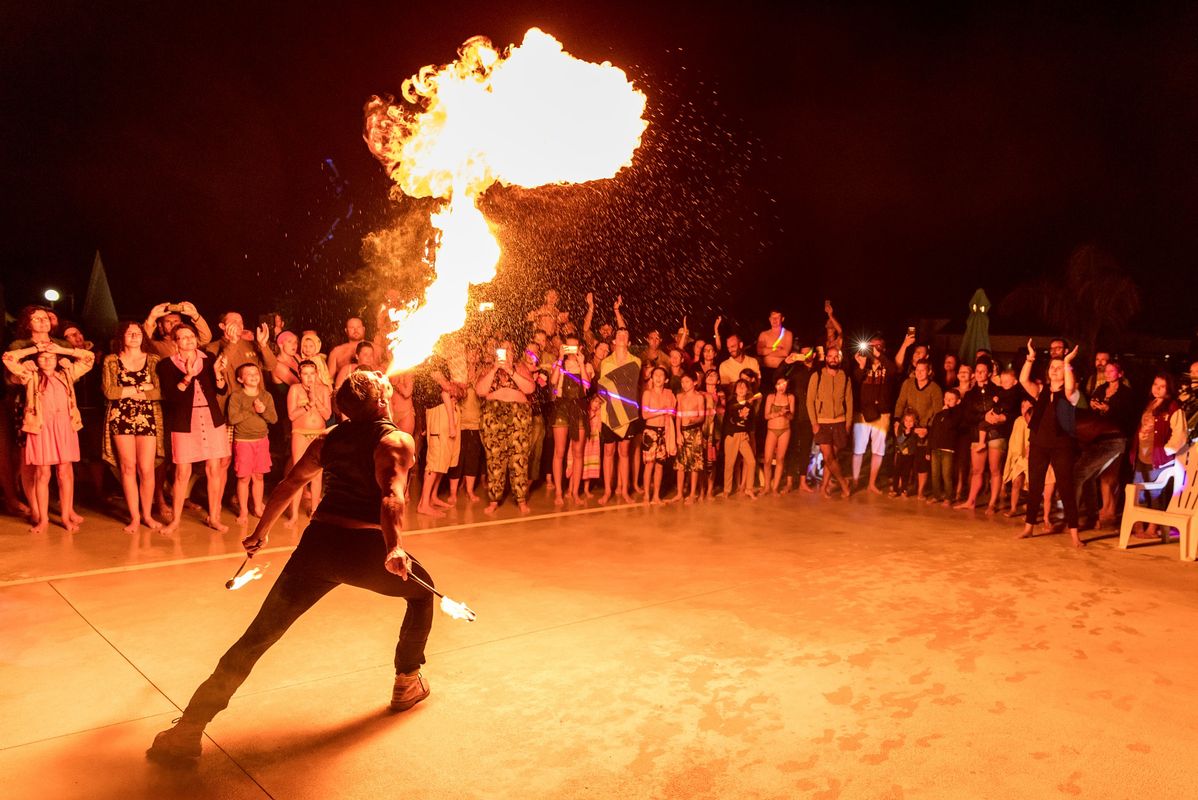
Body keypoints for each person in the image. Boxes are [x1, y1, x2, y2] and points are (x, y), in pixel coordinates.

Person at [146, 372, 433, 765]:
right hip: (365, 550)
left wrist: (261, 531)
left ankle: (187, 730)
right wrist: (395, 546)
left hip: (317, 549)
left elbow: (291, 482)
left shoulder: (329, 438)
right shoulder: (394, 440)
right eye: (381, 382)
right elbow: (391, 496)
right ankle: (406, 682)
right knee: (422, 594)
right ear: (382, 401)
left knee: (257, 638)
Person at [2, 341, 95, 532]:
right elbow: (8, 358)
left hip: (65, 428)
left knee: (64, 473)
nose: (47, 360)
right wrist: (35, 349)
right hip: (41, 428)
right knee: (43, 474)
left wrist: (61, 349)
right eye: (43, 357)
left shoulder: (67, 374)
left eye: (51, 357)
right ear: (36, 361)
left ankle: (66, 515)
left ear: (57, 359)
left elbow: (88, 358)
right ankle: (43, 519)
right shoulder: (31, 376)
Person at [158, 323, 230, 533]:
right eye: (183, 337)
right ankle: (175, 520)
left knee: (214, 470)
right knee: (182, 472)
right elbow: (172, 397)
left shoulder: (209, 360)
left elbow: (222, 389)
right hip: (184, 421)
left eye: (191, 336)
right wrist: (188, 377)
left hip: (211, 419)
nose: (189, 340)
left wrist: (217, 373)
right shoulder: (166, 365)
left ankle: (214, 517)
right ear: (175, 342)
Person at [1017, 339, 1083, 547]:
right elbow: (1022, 380)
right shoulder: (1041, 390)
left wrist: (1067, 362)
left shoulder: (1071, 393)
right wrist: (1030, 358)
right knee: (1035, 486)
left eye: (1059, 368)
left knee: (1065, 487)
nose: (1054, 370)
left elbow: (1070, 385)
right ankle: (1028, 527)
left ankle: (1074, 533)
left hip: (1061, 445)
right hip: (1039, 443)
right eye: (1052, 367)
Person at [101, 321, 164, 532]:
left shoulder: (154, 360)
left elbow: (159, 392)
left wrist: (131, 391)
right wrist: (139, 388)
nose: (134, 336)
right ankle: (134, 517)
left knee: (146, 468)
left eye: (137, 333)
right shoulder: (111, 360)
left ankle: (147, 514)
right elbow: (110, 392)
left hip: (147, 417)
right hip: (121, 417)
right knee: (127, 467)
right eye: (129, 333)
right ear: (122, 337)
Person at [476, 340, 536, 514]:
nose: (506, 352)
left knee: (519, 457)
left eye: (509, 349)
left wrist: (510, 370)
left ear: (513, 352)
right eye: (503, 349)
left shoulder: (521, 367)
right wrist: (495, 368)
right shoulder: (489, 368)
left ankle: (521, 499)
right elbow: (480, 390)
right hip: (493, 416)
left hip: (518, 416)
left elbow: (530, 388)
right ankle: (494, 499)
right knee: (495, 458)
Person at [1127, 373, 1188, 542]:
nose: (1157, 388)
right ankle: (1137, 525)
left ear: (1169, 388)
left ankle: (1152, 528)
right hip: (1142, 454)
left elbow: (1180, 433)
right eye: (1155, 384)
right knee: (1137, 490)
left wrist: (1166, 450)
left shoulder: (1173, 407)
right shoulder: (1150, 404)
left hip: (1158, 458)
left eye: (1162, 386)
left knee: (1155, 492)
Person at [1074, 361, 1134, 528]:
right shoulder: (1100, 389)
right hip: (1098, 436)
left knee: (1111, 476)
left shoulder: (1126, 393)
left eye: (1111, 371)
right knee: (1101, 475)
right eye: (1106, 371)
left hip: (1116, 436)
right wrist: (1094, 406)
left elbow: (1127, 415)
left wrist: (1110, 409)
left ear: (1120, 374)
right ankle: (1105, 509)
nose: (1107, 373)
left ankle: (1110, 509)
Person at [954, 358, 1014, 514]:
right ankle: (971, 501)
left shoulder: (998, 390)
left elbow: (1007, 409)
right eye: (977, 370)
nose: (979, 373)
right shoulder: (969, 395)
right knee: (977, 470)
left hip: (996, 433)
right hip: (977, 434)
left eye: (983, 371)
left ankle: (992, 503)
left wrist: (1000, 418)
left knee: (995, 469)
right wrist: (983, 418)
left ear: (988, 372)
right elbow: (967, 416)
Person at [227, 364, 278, 524]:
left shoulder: (266, 395)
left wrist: (263, 410)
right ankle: (243, 511)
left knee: (259, 476)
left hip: (262, 440)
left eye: (256, 373)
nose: (254, 376)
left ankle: (257, 507)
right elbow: (232, 419)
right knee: (243, 478)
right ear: (240, 379)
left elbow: (274, 419)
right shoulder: (237, 396)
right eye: (249, 374)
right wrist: (252, 409)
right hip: (243, 442)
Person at [597, 328, 642, 505]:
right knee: (608, 452)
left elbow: (628, 382)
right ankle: (608, 490)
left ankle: (624, 490)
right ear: (613, 341)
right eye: (619, 335)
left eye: (625, 335)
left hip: (627, 412)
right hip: (609, 412)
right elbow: (604, 388)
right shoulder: (606, 362)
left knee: (624, 452)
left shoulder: (636, 360)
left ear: (629, 342)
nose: (622, 337)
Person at [849, 336, 897, 494]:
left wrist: (880, 356)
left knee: (878, 450)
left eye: (877, 346)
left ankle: (871, 483)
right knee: (859, 449)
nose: (874, 349)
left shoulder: (887, 364)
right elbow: (855, 380)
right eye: (871, 346)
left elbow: (893, 371)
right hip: (862, 412)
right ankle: (855, 481)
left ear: (883, 348)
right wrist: (861, 366)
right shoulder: (864, 364)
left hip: (882, 413)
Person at [287, 360, 331, 526]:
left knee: (317, 474)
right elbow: (291, 415)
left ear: (316, 374)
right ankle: (294, 515)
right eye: (305, 374)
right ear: (300, 375)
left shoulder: (324, 389)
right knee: (298, 474)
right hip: (300, 434)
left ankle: (314, 510)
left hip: (319, 434)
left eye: (312, 373)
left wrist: (315, 400)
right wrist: (307, 406)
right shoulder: (295, 389)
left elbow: (327, 415)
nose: (309, 377)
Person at [549, 336, 592, 506]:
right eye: (569, 347)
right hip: (561, 407)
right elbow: (552, 382)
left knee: (578, 452)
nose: (572, 350)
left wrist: (581, 364)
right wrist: (560, 359)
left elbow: (587, 386)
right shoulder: (558, 364)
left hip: (579, 408)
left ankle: (574, 492)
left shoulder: (586, 365)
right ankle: (559, 492)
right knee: (559, 452)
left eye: (575, 347)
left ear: (580, 347)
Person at [807, 346, 853, 498]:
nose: (833, 359)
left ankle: (824, 488)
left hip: (839, 421)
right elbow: (810, 401)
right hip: (822, 422)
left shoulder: (844, 377)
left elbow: (849, 401)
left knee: (832, 457)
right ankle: (844, 484)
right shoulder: (817, 375)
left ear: (839, 359)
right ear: (826, 358)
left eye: (836, 356)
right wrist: (814, 422)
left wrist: (848, 423)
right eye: (830, 356)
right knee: (828, 456)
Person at [893, 360, 943, 499]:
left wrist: (928, 428)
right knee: (904, 459)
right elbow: (901, 402)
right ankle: (901, 488)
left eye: (923, 370)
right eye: (917, 369)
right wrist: (897, 420)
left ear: (929, 371)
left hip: (923, 430)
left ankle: (920, 491)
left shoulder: (935, 389)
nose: (919, 373)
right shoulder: (908, 384)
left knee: (922, 462)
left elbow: (938, 412)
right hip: (908, 426)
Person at [1003, 398, 1055, 526]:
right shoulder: (1019, 421)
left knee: (1042, 492)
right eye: (1022, 406)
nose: (1025, 410)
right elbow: (1015, 441)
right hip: (1022, 458)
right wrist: (1017, 455)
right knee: (1017, 482)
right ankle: (1014, 509)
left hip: (1042, 461)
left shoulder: (1043, 424)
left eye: (1028, 407)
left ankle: (1043, 517)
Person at [446, 344, 485, 505]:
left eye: (476, 353)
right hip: (460, 422)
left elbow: (482, 393)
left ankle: (469, 491)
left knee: (472, 459)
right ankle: (453, 493)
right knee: (457, 459)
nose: (473, 356)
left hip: (476, 422)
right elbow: (455, 394)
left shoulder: (482, 373)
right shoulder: (458, 372)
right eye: (471, 353)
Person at [640, 366, 676, 504]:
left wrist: (668, 412)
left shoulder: (669, 393)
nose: (658, 377)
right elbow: (645, 415)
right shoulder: (647, 394)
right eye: (656, 375)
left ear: (666, 379)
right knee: (649, 464)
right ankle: (646, 495)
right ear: (652, 378)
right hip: (650, 430)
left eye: (661, 375)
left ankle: (656, 495)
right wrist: (662, 411)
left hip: (664, 430)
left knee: (660, 465)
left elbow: (672, 411)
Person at [674, 371, 706, 503]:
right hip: (682, 432)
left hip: (694, 432)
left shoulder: (699, 397)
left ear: (694, 382)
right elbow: (678, 416)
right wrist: (678, 433)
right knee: (680, 464)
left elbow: (702, 416)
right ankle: (679, 493)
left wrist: (695, 420)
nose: (684, 384)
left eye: (687, 381)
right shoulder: (680, 397)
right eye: (682, 382)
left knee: (694, 465)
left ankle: (692, 494)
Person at [722, 379, 757, 499]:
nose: (741, 389)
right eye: (739, 387)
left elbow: (751, 423)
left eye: (744, 387)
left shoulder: (750, 406)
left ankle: (749, 488)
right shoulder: (731, 403)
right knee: (729, 464)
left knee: (751, 462)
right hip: (732, 435)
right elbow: (731, 418)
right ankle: (727, 489)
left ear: (747, 390)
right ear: (735, 390)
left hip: (743, 436)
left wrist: (749, 435)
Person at [926, 388, 961, 505]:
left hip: (948, 449)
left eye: (951, 399)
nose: (947, 401)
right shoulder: (938, 415)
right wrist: (928, 449)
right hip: (935, 448)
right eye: (946, 399)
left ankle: (948, 497)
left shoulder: (956, 414)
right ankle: (936, 495)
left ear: (958, 401)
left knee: (946, 474)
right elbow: (932, 432)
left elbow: (951, 425)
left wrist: (947, 412)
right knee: (935, 474)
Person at [143, 301, 212, 359]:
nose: (172, 324)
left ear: (181, 323)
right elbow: (142, 341)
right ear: (160, 325)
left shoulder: (190, 340)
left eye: (176, 321)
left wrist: (195, 315)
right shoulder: (157, 346)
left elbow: (206, 338)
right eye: (168, 321)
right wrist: (152, 317)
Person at [762, 375, 794, 494]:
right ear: (775, 386)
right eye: (779, 384)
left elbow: (792, 417)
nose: (781, 387)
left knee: (780, 459)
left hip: (785, 430)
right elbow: (766, 416)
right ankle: (766, 487)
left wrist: (786, 414)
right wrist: (779, 413)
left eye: (784, 384)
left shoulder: (790, 397)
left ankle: (774, 488)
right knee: (767, 460)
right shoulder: (771, 397)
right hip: (771, 430)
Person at [755, 310, 794, 392]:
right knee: (765, 395)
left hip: (780, 371)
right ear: (769, 319)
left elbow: (785, 353)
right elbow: (759, 351)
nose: (775, 320)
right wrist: (776, 348)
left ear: (782, 319)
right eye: (773, 317)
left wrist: (766, 350)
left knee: (779, 396)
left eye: (777, 317)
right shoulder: (764, 334)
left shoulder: (787, 334)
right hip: (764, 370)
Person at [326, 316, 367, 380]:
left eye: (358, 327)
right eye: (352, 327)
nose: (355, 330)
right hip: (345, 389)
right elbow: (329, 380)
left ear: (363, 329)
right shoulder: (336, 352)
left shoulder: (377, 349)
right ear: (346, 330)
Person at [890, 410, 919, 497]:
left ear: (914, 422)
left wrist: (921, 435)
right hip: (900, 454)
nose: (908, 423)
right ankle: (895, 489)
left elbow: (918, 441)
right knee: (897, 472)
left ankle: (904, 490)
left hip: (909, 455)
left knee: (906, 473)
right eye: (906, 421)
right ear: (903, 421)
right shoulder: (901, 428)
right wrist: (905, 434)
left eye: (911, 421)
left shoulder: (915, 431)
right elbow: (899, 440)